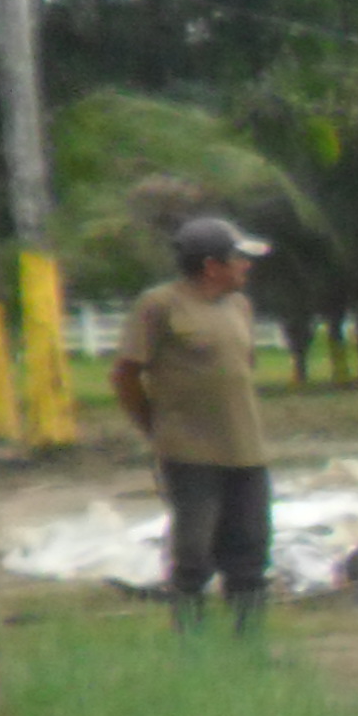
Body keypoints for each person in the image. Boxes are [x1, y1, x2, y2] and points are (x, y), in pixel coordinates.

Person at [113, 214, 277, 637]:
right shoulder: (160, 305)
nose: (247, 266)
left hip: (247, 450)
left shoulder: (239, 305)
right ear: (211, 265)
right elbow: (125, 375)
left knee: (251, 550)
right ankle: (191, 644)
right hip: (190, 454)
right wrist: (155, 427)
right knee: (194, 554)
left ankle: (249, 643)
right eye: (239, 258)